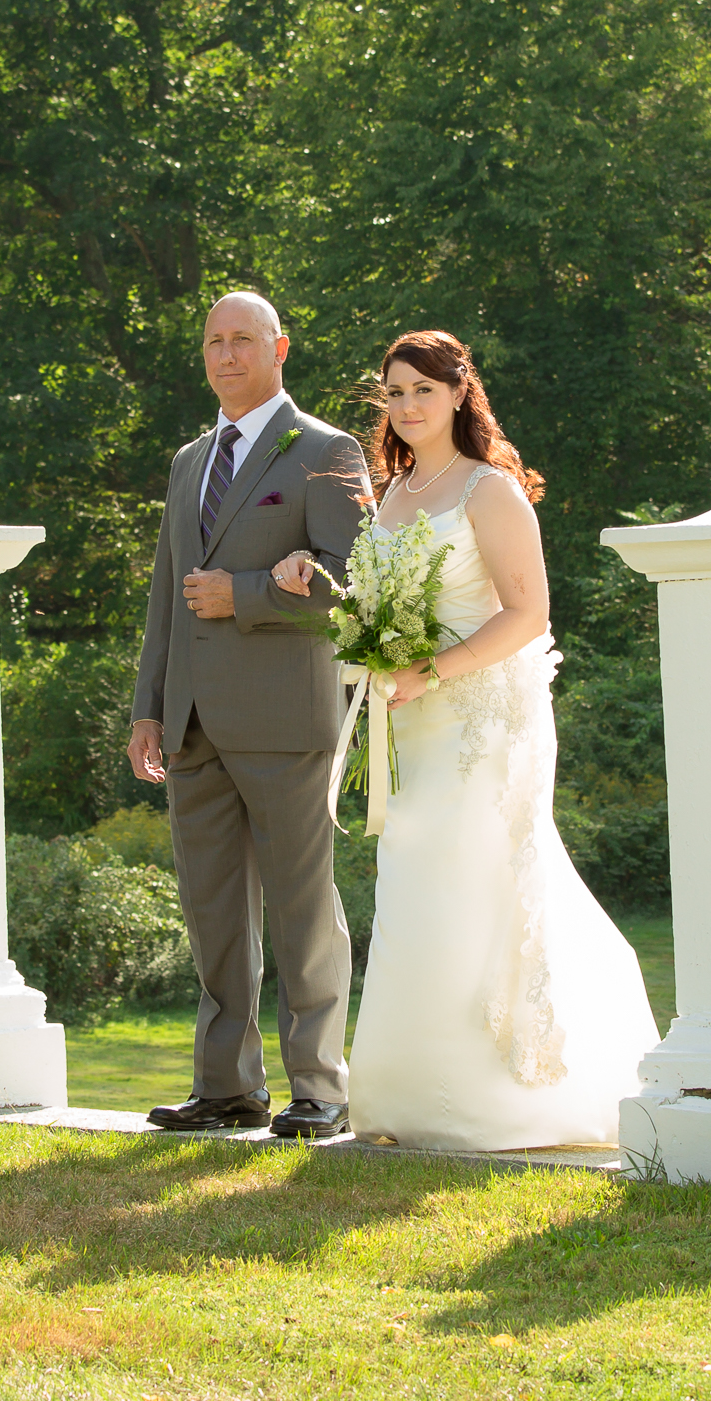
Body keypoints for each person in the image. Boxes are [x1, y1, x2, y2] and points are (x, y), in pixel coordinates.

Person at [272, 329, 658, 1150]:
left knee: (476, 878)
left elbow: (528, 613)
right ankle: (413, 1097)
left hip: (485, 717)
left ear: (458, 393)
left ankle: (497, 1098)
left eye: (423, 390)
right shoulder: (395, 493)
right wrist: (322, 582)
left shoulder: (490, 491)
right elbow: (381, 599)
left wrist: (435, 672)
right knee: (419, 874)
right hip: (414, 715)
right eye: (395, 394)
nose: (408, 407)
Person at [127, 291, 374, 1138]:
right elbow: (167, 595)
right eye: (213, 343)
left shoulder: (328, 451)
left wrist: (250, 595)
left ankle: (321, 1089)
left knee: (304, 911)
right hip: (192, 724)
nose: (226, 356)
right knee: (214, 914)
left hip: (285, 718)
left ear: (280, 349)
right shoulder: (189, 459)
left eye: (243, 341)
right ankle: (227, 1088)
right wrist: (148, 708)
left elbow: (355, 586)